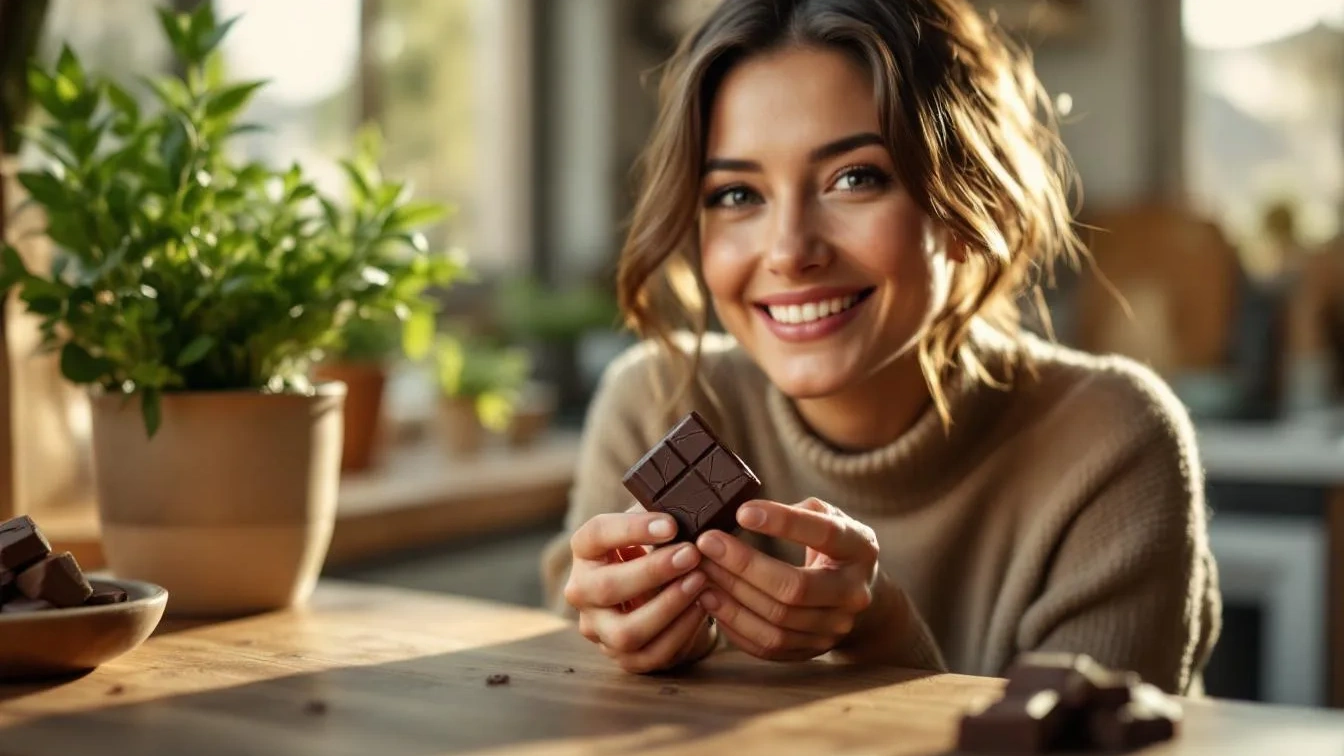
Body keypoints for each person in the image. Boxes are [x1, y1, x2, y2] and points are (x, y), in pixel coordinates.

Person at [540, 0, 1221, 695]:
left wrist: (885, 641)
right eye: (739, 193)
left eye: (855, 178)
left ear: (967, 202)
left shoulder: (1110, 442)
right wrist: (626, 641)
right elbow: (569, 700)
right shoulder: (655, 402)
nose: (789, 252)